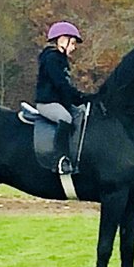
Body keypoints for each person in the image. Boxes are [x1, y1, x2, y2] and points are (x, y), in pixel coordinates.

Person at [35, 21, 91, 173]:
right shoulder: (51, 58)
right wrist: (79, 96)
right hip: (47, 102)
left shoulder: (61, 59)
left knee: (80, 113)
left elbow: (66, 88)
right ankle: (60, 160)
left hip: (59, 101)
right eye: (72, 43)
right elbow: (60, 84)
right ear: (61, 40)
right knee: (65, 118)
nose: (73, 48)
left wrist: (81, 98)